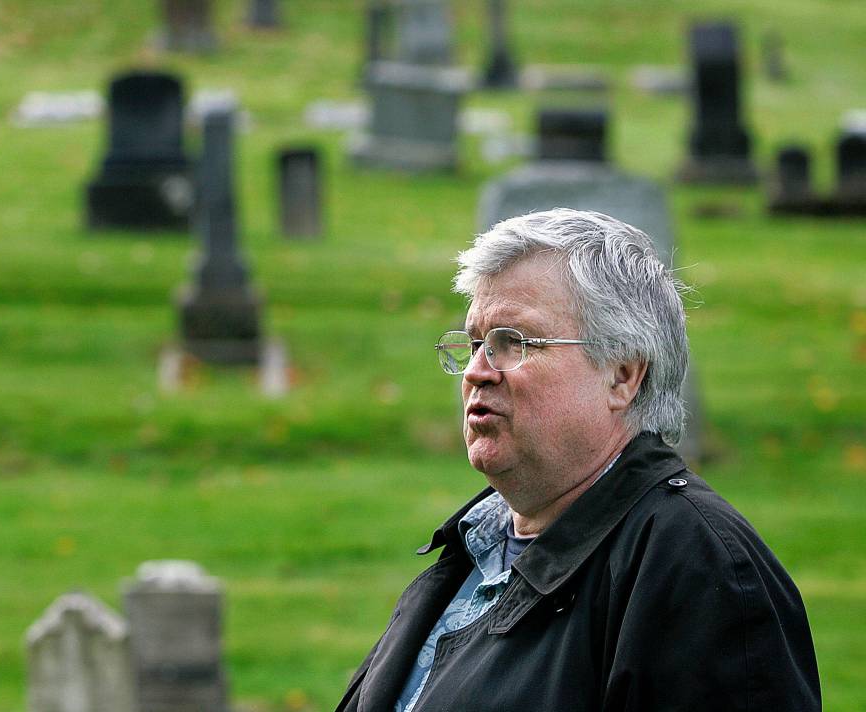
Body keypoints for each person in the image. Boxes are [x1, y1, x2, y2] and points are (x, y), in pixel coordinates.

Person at [334, 209, 820, 712]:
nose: (476, 372)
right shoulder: (476, 547)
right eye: (477, 343)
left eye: (512, 343)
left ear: (623, 375)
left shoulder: (698, 568)